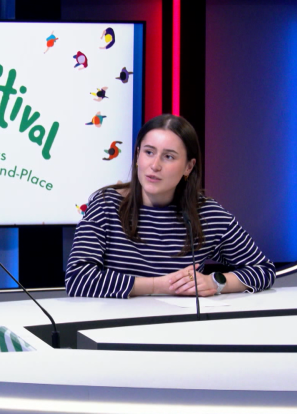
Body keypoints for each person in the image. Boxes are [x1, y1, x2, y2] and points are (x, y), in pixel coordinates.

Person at [65, 114, 275, 299]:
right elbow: (78, 279)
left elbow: (263, 270)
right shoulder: (105, 205)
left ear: (188, 167)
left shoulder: (207, 215)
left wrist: (215, 283)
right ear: (137, 155)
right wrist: (159, 286)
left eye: (168, 157)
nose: (155, 165)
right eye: (149, 152)